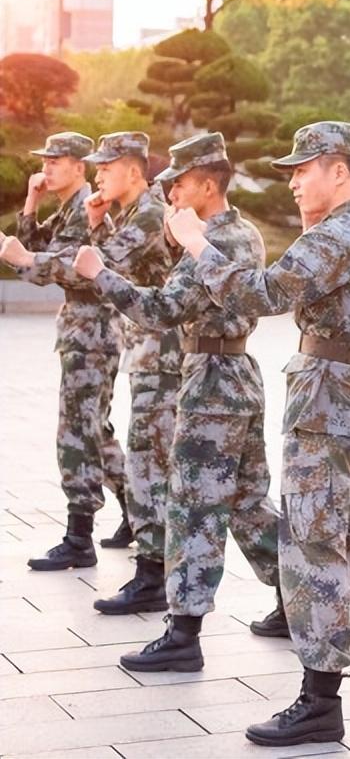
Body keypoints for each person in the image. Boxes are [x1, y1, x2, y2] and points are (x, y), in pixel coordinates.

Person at [165, 120, 350, 747]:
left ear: (339, 171)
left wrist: (199, 245)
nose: (293, 183)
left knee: (312, 540)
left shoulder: (335, 233)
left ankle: (319, 699)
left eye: (302, 171)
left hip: (324, 397)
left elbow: (261, 294)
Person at [75, 132, 287, 670]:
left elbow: (161, 309)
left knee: (193, 507)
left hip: (214, 382)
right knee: (244, 501)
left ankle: (184, 635)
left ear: (208, 184)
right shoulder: (235, 233)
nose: (170, 194)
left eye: (179, 184)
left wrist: (101, 275)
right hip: (229, 373)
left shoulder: (214, 241)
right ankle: (296, 593)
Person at [0, 132, 127, 570]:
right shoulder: (70, 208)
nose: (47, 168)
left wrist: (23, 259)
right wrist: (30, 203)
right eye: (45, 161)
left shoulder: (88, 210)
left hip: (93, 330)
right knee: (95, 428)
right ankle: (139, 509)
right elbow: (32, 248)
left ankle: (80, 537)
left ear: (80, 167)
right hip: (82, 329)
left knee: (75, 430)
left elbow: (56, 267)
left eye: (57, 161)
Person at [75, 131, 183, 615]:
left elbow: (101, 269)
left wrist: (25, 258)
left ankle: (152, 577)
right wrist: (97, 226)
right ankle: (152, 571)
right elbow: (107, 272)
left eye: (106, 166)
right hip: (147, 351)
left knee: (149, 463)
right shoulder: (131, 214)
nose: (97, 174)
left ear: (134, 172)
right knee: (148, 461)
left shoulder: (149, 214)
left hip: (162, 354)